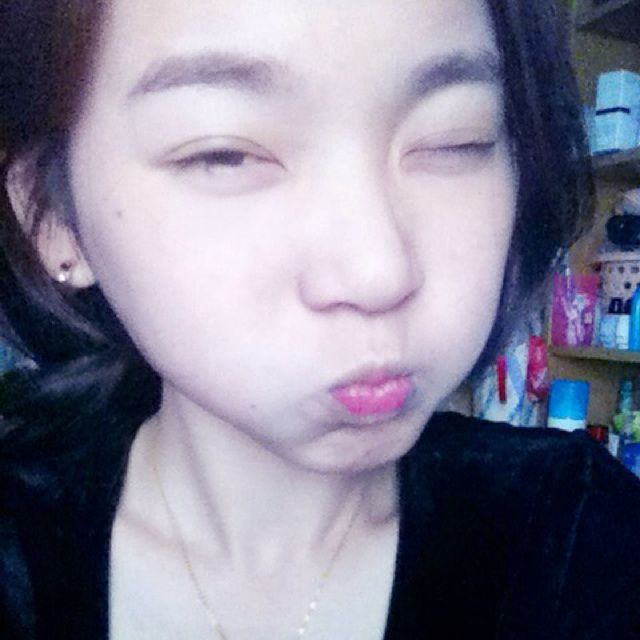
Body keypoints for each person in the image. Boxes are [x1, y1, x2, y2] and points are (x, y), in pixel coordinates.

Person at [0, 0, 638, 638]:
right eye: (225, 154)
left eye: (455, 139)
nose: (378, 271)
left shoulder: (581, 537)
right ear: (51, 218)